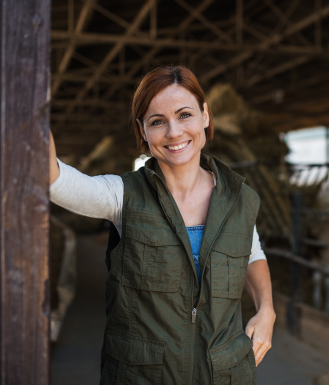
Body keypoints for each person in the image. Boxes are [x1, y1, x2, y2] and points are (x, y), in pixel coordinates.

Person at [49, 65, 275, 384]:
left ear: (205, 116)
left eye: (184, 115)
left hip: (225, 374)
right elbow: (53, 178)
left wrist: (267, 308)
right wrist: (32, 96)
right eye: (157, 121)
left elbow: (252, 254)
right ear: (143, 131)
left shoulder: (238, 198)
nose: (174, 132)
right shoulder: (123, 196)